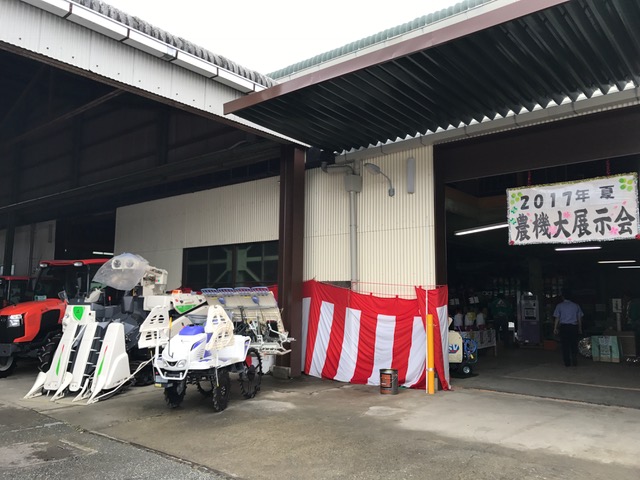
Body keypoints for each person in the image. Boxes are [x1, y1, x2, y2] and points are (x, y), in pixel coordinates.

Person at [553, 290, 583, 367]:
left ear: (563, 297)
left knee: (565, 345)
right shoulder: (576, 306)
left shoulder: (559, 306)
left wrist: (555, 328)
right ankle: (574, 359)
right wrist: (580, 328)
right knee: (574, 344)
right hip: (573, 327)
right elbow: (579, 318)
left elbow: (557, 318)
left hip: (564, 327)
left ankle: (567, 362)